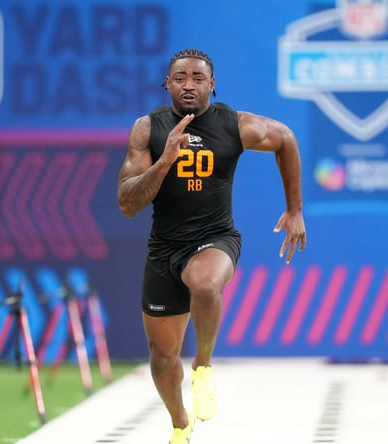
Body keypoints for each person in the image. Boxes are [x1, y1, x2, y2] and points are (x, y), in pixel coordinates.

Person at [117, 48, 306, 444]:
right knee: (162, 358)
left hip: (215, 238)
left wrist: (294, 209)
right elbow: (127, 204)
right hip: (164, 250)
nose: (189, 85)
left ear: (212, 84)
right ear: (167, 83)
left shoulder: (234, 125)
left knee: (205, 284)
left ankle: (202, 367)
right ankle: (180, 424)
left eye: (198, 78)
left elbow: (286, 138)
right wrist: (164, 160)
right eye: (180, 78)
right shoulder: (147, 128)